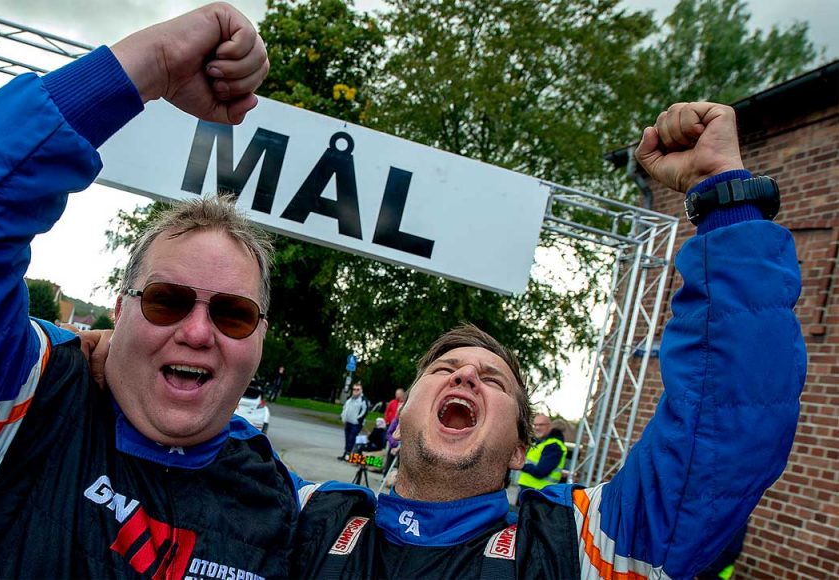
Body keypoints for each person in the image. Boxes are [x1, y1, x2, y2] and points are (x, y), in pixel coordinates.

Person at [0, 5, 298, 577]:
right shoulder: (16, 406)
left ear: (261, 337)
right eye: (166, 301)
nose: (196, 332)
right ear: (120, 310)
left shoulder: (283, 500)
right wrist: (154, 63)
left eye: (233, 314)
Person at [288, 102, 806, 578]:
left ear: (519, 449)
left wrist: (721, 193)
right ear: (403, 414)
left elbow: (729, 415)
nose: (465, 374)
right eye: (443, 369)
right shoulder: (305, 517)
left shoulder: (581, 546)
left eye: (493, 380)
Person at [516, 413, 567, 490]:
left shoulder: (553, 445)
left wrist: (520, 465)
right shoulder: (540, 442)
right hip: (529, 489)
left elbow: (541, 472)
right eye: (535, 425)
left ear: (550, 426)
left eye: (541, 425)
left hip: (539, 491)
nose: (537, 428)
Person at [339, 382, 370, 460]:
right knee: (347, 438)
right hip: (348, 422)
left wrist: (358, 419)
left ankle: (349, 454)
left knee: (352, 438)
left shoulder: (363, 400)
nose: (355, 391)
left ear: (361, 390)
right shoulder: (350, 399)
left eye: (357, 389)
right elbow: (345, 408)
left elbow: (365, 410)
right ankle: (346, 453)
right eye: (354, 389)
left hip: (356, 423)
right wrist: (343, 416)